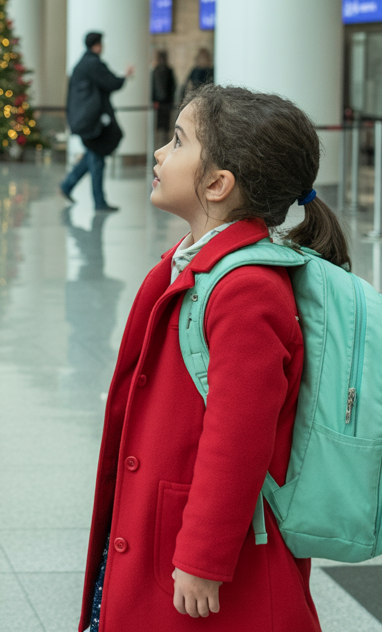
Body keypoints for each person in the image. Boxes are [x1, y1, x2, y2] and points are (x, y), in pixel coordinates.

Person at [81, 84, 343, 631]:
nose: (160, 153)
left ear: (218, 184)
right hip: (159, 525)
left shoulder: (247, 288)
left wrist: (203, 556)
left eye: (178, 142)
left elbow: (239, 437)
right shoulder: (194, 264)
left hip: (201, 554)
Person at [61, 32, 134, 211]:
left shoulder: (81, 64)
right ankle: (99, 201)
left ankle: (67, 185)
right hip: (91, 122)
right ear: (97, 45)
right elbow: (111, 83)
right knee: (96, 157)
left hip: (84, 120)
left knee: (93, 155)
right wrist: (124, 76)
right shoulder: (93, 64)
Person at [150, 49, 176, 146]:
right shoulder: (169, 70)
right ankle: (166, 143)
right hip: (168, 102)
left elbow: (154, 87)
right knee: (166, 126)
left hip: (158, 103)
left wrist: (154, 100)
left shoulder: (156, 70)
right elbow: (173, 86)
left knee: (158, 126)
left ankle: (159, 145)